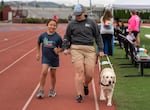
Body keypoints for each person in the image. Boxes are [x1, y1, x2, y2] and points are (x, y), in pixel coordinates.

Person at [62, 4, 105, 103]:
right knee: (79, 72)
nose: (77, 16)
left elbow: (98, 36)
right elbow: (66, 37)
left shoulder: (91, 22)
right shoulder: (71, 24)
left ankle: (85, 84)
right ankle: (79, 94)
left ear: (84, 13)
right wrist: (65, 47)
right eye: (76, 15)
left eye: (79, 14)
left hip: (90, 49)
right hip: (76, 49)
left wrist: (101, 49)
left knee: (89, 74)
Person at [36, 18, 63, 99]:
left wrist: (58, 50)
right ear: (47, 25)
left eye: (54, 25)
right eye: (51, 24)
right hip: (45, 58)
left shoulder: (58, 37)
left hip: (54, 58)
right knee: (44, 72)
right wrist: (37, 53)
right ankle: (41, 90)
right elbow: (38, 43)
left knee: (53, 75)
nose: (52, 26)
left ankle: (52, 90)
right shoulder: (42, 35)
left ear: (56, 27)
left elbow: (62, 48)